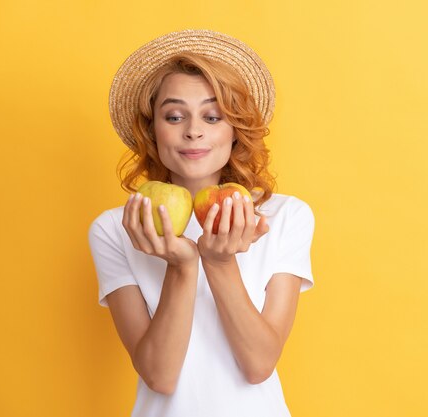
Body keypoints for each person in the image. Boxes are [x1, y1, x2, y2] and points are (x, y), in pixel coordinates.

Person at [89, 29, 315, 417]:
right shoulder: (117, 228)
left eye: (213, 116)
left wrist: (220, 263)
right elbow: (160, 376)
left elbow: (259, 365)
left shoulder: (285, 217)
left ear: (235, 130)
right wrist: (183, 265)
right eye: (174, 116)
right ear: (151, 130)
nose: (193, 130)